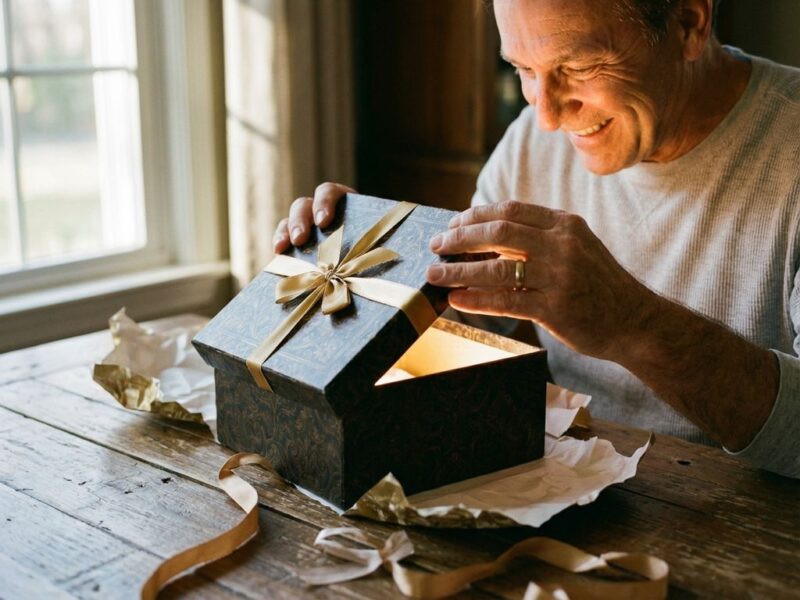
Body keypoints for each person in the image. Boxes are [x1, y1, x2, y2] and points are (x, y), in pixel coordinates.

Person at [272, 0, 800, 478]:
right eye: (523, 69)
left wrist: (632, 323)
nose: (545, 117)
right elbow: (460, 329)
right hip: (577, 489)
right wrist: (359, 278)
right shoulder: (531, 140)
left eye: (579, 67)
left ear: (689, 22)